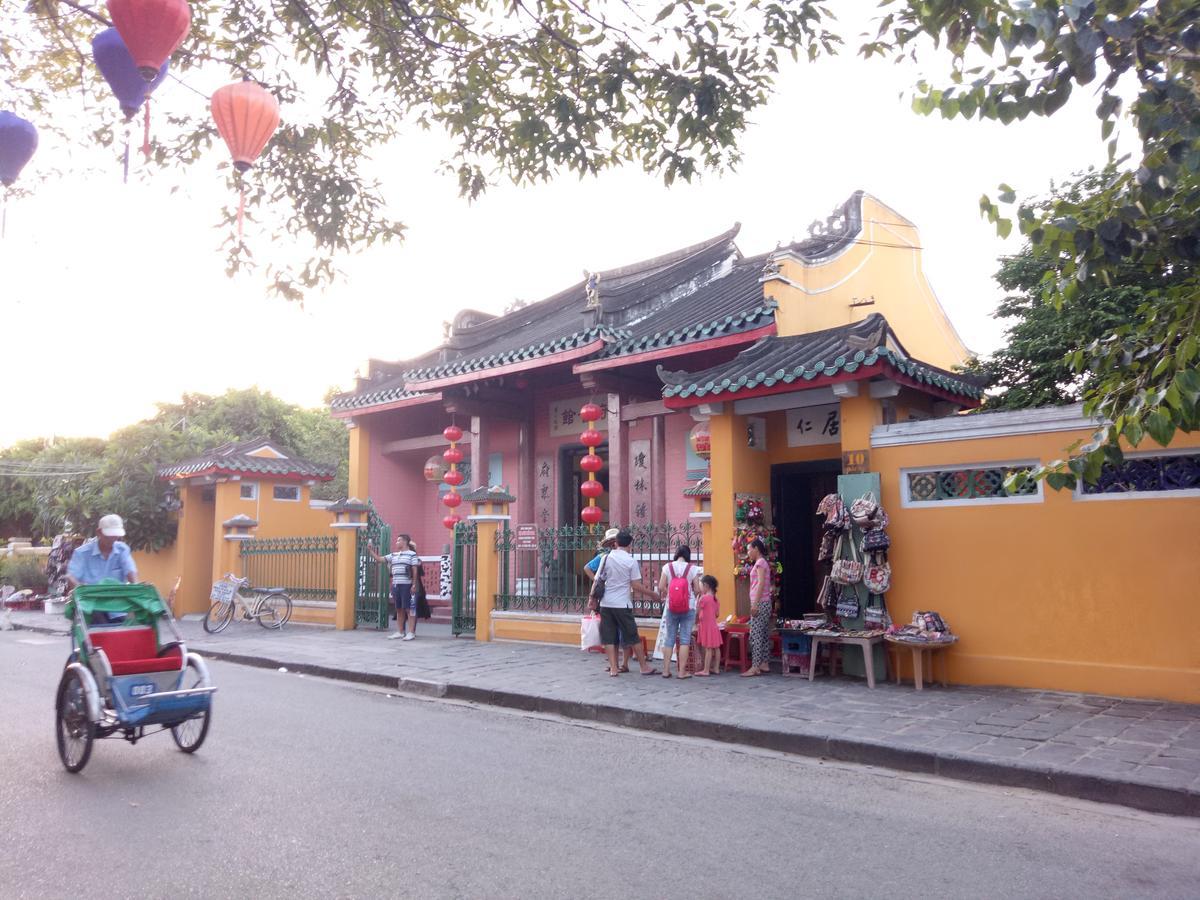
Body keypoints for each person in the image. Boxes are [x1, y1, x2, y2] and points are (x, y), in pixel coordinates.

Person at [587, 530, 658, 677]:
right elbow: (636, 585)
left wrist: (591, 598)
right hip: (622, 604)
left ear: (615, 543)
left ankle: (613, 668)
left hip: (606, 603)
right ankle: (643, 666)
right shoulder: (631, 561)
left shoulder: (606, 558)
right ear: (630, 545)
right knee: (632, 636)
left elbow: (597, 580)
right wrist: (652, 594)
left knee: (609, 637)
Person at [67, 514, 137, 624]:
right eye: (109, 535)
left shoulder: (122, 549)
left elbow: (130, 571)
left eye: (116, 535)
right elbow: (71, 577)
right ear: (99, 532)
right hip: (92, 604)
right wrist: (80, 589)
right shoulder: (82, 553)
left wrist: (136, 587)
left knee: (132, 627)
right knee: (98, 622)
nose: (113, 538)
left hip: (117, 605)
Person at [584, 528, 634, 672]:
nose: (613, 544)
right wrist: (598, 581)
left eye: (614, 541)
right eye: (611, 542)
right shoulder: (604, 557)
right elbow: (587, 568)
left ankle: (621, 665)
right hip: (615, 600)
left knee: (620, 633)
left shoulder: (615, 557)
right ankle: (616, 665)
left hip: (618, 600)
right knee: (615, 634)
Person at [655, 544, 702, 678]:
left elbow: (661, 586)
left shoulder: (667, 567)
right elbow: (698, 589)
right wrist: (691, 595)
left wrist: (669, 594)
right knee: (685, 639)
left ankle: (665, 670)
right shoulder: (692, 569)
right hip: (688, 606)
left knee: (669, 638)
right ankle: (682, 672)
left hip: (672, 606)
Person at [367, 533, 420, 641]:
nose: (396, 542)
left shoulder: (412, 555)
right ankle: (400, 631)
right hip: (396, 585)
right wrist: (371, 551)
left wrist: (414, 585)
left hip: (407, 585)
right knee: (399, 609)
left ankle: (411, 632)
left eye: (398, 540)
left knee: (409, 609)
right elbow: (379, 559)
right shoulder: (393, 555)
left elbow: (415, 570)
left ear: (405, 542)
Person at [742, 538, 773, 676]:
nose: (748, 552)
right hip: (765, 602)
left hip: (760, 603)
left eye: (749, 549)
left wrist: (755, 603)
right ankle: (764, 663)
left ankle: (755, 666)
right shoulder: (762, 563)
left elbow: (760, 584)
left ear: (756, 549)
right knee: (764, 633)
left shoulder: (760, 563)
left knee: (756, 635)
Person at [694, 575, 722, 677]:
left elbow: (697, 612)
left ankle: (706, 670)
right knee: (716, 648)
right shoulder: (715, 599)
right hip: (714, 626)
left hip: (706, 627)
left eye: (701, 585)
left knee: (708, 648)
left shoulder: (704, 598)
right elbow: (717, 614)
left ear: (706, 585)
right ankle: (716, 668)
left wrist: (695, 622)